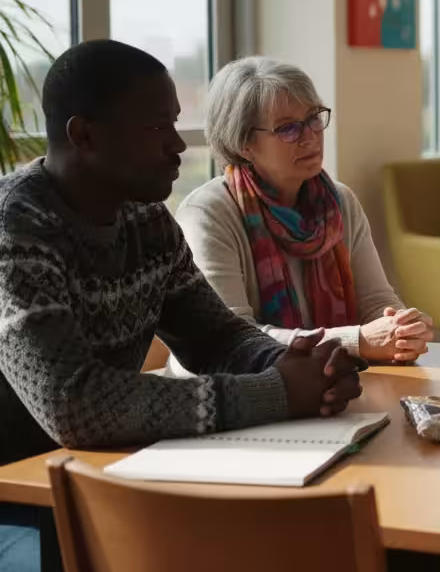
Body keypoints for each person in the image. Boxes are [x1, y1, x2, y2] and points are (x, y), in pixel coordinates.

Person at [0, 40, 363, 572]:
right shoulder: (16, 229)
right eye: (156, 128)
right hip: (21, 503)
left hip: (104, 478)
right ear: (85, 136)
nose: (178, 146)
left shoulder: (145, 218)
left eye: (175, 124)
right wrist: (280, 392)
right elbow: (74, 406)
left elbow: (215, 336)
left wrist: (297, 365)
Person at [175, 57, 431, 364]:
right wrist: (357, 341)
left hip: (326, 385)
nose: (310, 136)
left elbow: (376, 302)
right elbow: (233, 338)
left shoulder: (340, 202)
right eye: (288, 129)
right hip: (232, 394)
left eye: (313, 118)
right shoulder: (208, 213)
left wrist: (402, 327)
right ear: (244, 143)